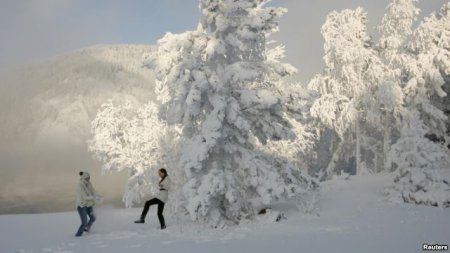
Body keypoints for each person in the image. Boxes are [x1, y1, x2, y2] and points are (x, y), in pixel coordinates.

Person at [75, 171, 102, 237]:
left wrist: (98, 196)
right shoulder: (80, 186)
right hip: (82, 206)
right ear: (84, 177)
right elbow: (84, 197)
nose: (89, 179)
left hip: (89, 205)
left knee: (93, 218)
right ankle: (78, 235)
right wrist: (94, 197)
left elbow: (93, 191)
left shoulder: (89, 183)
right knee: (84, 222)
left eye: (89, 177)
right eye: (88, 178)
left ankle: (87, 229)